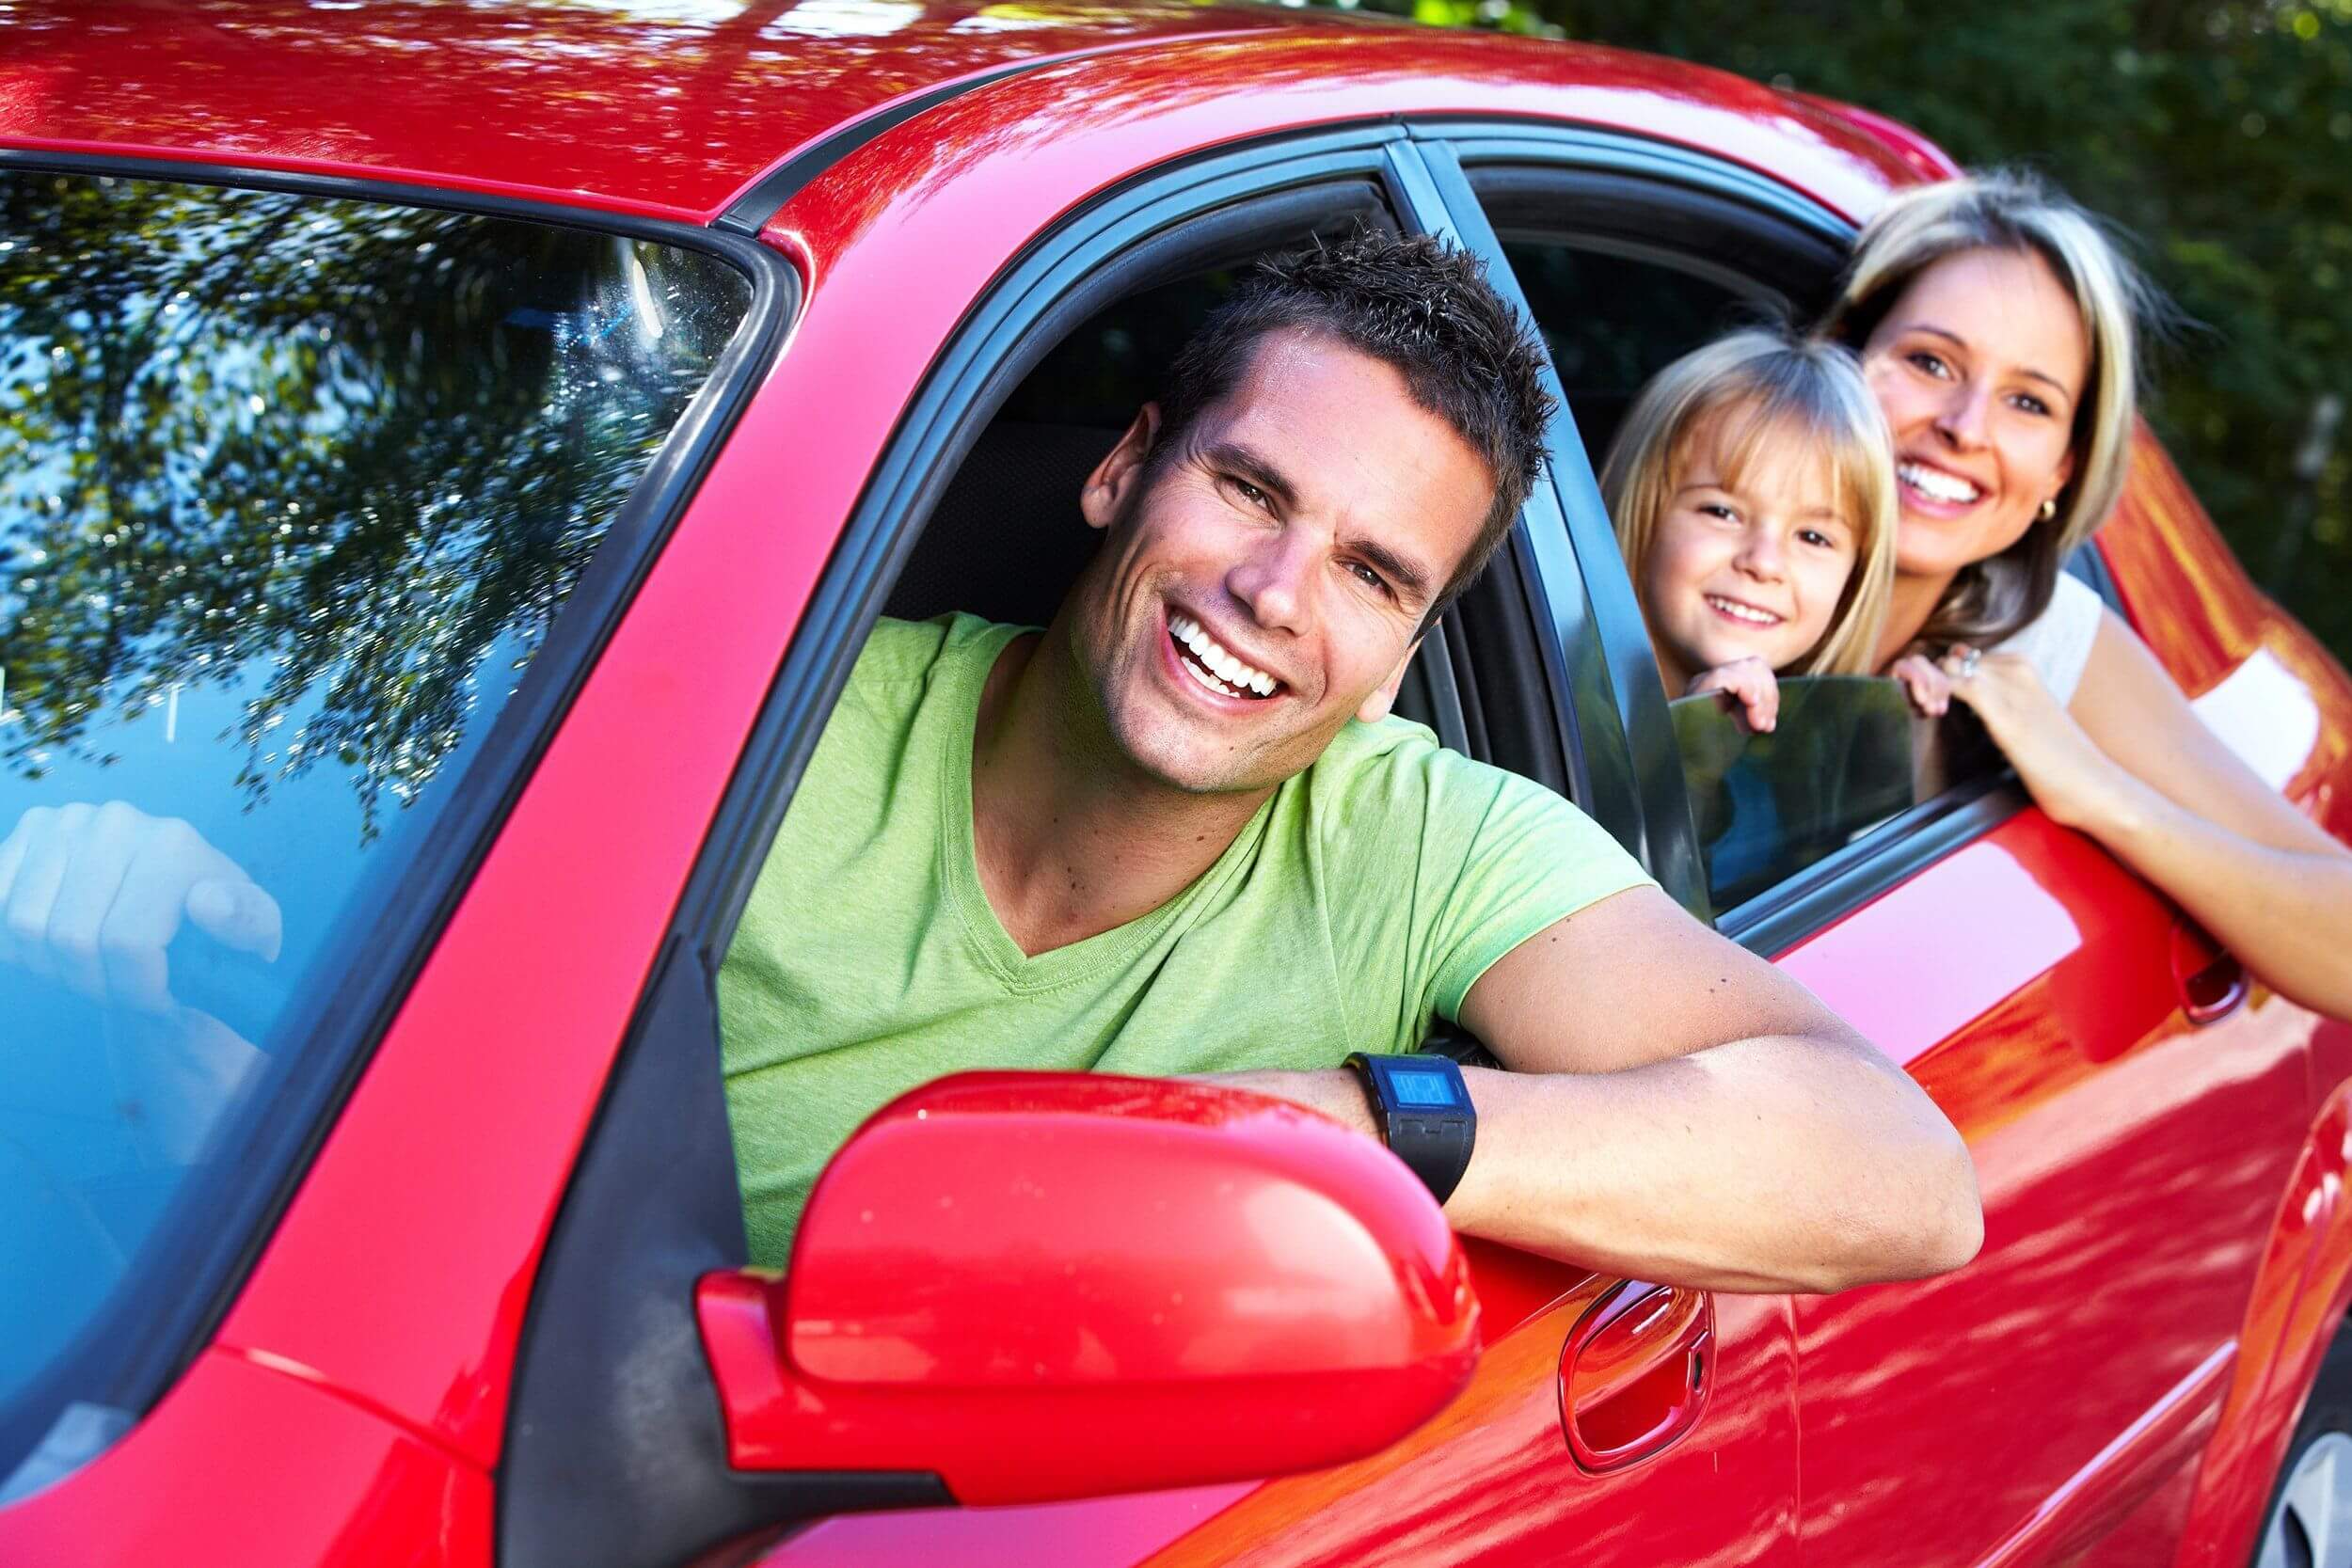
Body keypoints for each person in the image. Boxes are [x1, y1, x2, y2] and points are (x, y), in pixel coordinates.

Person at [0, 234, 1983, 1293]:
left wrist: (1341, 1127)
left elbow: (1893, 1169)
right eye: (1244, 485)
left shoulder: (1415, 839)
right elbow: (324, 1016)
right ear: (1124, 469)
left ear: (1403, 648)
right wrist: (151, 938)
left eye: (1375, 571)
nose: (1277, 595)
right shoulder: (755, 716)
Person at [1827, 171, 2352, 1021]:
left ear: (2062, 470)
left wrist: (2098, 790)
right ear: (1837, 356)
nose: (1966, 425)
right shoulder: (1695, 559)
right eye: (1929, 362)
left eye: (2028, 402)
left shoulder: (2044, 641)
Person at [1601, 326, 1898, 735]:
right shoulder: (1563, 707)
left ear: (1853, 580)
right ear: (1644, 509)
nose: (1763, 563)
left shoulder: (1815, 749)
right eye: (1723, 512)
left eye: (1813, 537)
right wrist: (1689, 740)